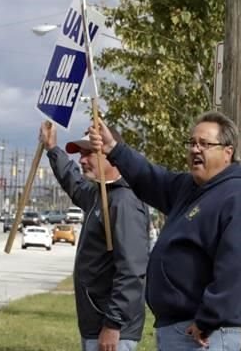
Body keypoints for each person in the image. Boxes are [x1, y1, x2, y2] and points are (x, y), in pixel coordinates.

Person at [88, 111, 241, 350]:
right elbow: (150, 177)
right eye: (192, 143)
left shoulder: (238, 196)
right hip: (177, 330)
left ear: (227, 152)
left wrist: (208, 319)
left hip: (204, 336)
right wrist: (114, 149)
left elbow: (234, 270)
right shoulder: (189, 187)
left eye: (204, 144)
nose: (195, 149)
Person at [40, 121, 149, 351]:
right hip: (96, 325)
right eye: (80, 154)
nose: (82, 160)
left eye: (89, 153)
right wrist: (52, 149)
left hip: (112, 332)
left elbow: (132, 269)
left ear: (110, 153)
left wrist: (113, 324)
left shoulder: (124, 202)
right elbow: (75, 183)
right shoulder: (99, 194)